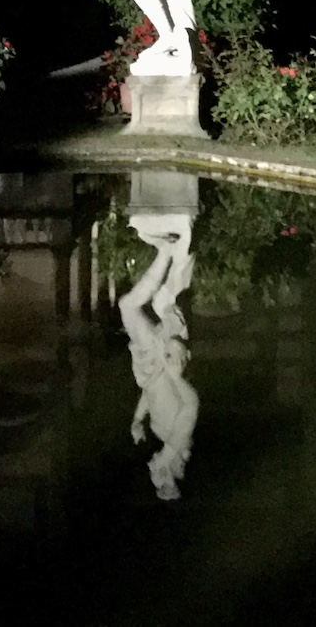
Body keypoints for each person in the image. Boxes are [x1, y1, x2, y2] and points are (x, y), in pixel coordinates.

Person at [119, 212, 199, 500]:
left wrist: (138, 419)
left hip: (149, 369)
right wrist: (177, 378)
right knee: (132, 306)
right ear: (170, 470)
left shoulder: (165, 438)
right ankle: (166, 251)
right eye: (159, 475)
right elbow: (190, 405)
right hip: (161, 360)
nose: (152, 469)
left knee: (136, 305)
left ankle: (165, 251)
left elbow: (152, 396)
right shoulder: (177, 443)